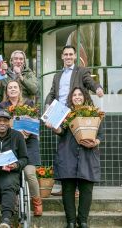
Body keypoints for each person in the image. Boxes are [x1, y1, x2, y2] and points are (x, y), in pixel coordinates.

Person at [45, 45, 104, 197]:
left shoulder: (81, 71)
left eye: (71, 54)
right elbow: (52, 93)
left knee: (80, 147)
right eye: (66, 54)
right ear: (62, 57)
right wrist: (47, 106)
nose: (68, 57)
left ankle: (78, 186)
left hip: (78, 113)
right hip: (61, 114)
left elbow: (90, 82)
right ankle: (67, 186)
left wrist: (97, 88)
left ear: (75, 56)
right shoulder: (57, 76)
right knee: (64, 149)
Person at [46, 87, 103, 228]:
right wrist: (54, 126)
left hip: (88, 155)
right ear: (71, 98)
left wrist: (95, 142)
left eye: (80, 94)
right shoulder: (65, 114)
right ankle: (71, 221)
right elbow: (60, 131)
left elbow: (100, 134)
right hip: (68, 154)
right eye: (74, 95)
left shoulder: (94, 113)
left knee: (86, 189)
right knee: (68, 190)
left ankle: (82, 221)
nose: (77, 97)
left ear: (84, 97)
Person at [0, 80, 43, 216]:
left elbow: (35, 121)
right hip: (11, 144)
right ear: (6, 92)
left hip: (29, 144)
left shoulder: (29, 103)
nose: (12, 89)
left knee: (29, 173)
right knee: (11, 174)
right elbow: (0, 124)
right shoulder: (2, 106)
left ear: (19, 90)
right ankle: (14, 202)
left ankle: (37, 202)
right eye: (10, 87)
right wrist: (14, 130)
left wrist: (27, 131)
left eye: (15, 87)